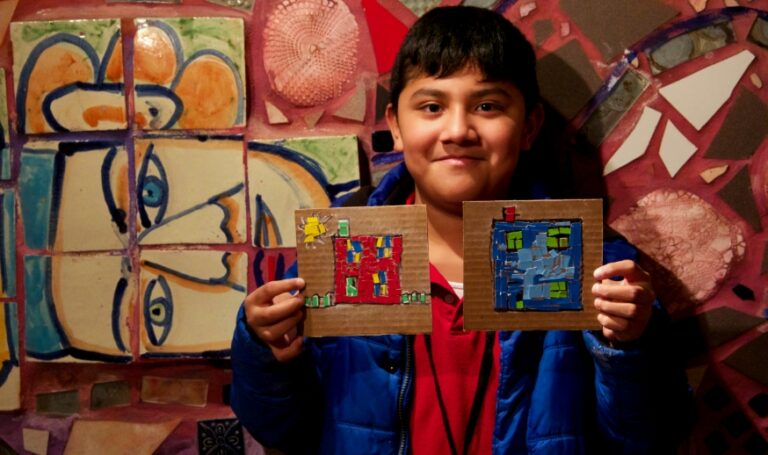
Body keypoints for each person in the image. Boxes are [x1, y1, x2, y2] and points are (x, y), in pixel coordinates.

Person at [231, 6, 693, 454]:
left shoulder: (590, 263)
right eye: (431, 106)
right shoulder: (345, 250)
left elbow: (649, 437)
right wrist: (265, 350)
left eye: (488, 105)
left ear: (529, 126)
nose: (457, 130)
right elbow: (281, 429)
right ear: (395, 125)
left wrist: (630, 347)